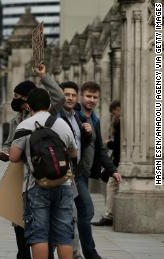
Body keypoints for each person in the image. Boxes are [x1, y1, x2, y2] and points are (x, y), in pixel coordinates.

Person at [0, 63, 64, 259]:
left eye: (18, 97)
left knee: (43, 222)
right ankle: (22, 253)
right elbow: (9, 142)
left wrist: (44, 77)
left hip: (45, 174)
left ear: (27, 99)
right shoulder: (15, 121)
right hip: (21, 176)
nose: (15, 100)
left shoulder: (46, 114)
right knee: (19, 218)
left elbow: (59, 97)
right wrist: (4, 150)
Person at [9, 88, 78, 259]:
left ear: (28, 106)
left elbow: (14, 157)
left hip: (36, 184)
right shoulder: (61, 123)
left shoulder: (24, 125)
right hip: (63, 184)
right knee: (63, 234)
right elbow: (74, 153)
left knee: (39, 234)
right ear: (48, 104)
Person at [72, 82, 121, 259]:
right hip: (74, 173)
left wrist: (112, 170)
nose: (91, 100)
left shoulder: (95, 120)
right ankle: (90, 253)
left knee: (75, 214)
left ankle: (74, 252)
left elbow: (100, 148)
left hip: (85, 175)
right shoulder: (74, 115)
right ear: (80, 96)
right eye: (88, 96)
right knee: (86, 210)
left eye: (95, 97)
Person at [57, 81, 94, 259]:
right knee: (69, 214)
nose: (70, 98)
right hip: (62, 174)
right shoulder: (56, 116)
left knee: (81, 212)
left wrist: (87, 133)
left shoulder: (78, 116)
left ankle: (78, 252)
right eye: (66, 94)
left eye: (73, 95)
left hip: (77, 173)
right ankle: (75, 253)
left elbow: (83, 144)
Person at [91, 101, 120, 227]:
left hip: (120, 162)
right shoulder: (118, 123)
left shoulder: (121, 124)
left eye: (116, 111)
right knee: (112, 185)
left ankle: (109, 215)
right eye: (113, 113)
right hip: (118, 162)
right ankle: (110, 214)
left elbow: (118, 145)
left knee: (111, 185)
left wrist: (108, 144)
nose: (115, 115)